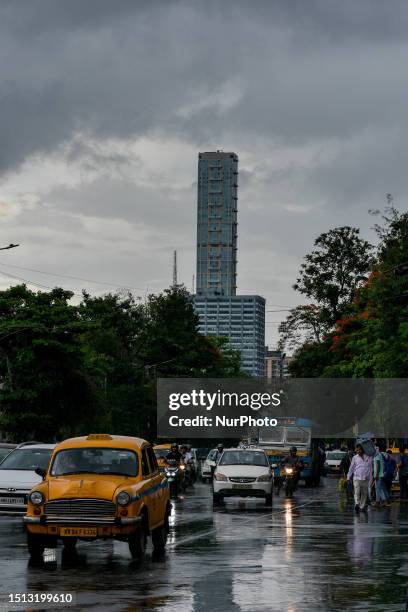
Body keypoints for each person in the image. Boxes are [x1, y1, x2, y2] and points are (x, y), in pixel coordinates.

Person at [347, 444, 372, 513]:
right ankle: (357, 503)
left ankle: (361, 506)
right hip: (357, 478)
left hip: (366, 479)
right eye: (357, 450)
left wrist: (371, 479)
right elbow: (351, 468)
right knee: (357, 492)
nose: (358, 451)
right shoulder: (355, 458)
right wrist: (348, 477)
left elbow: (370, 469)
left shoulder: (368, 457)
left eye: (359, 450)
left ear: (363, 450)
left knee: (364, 493)